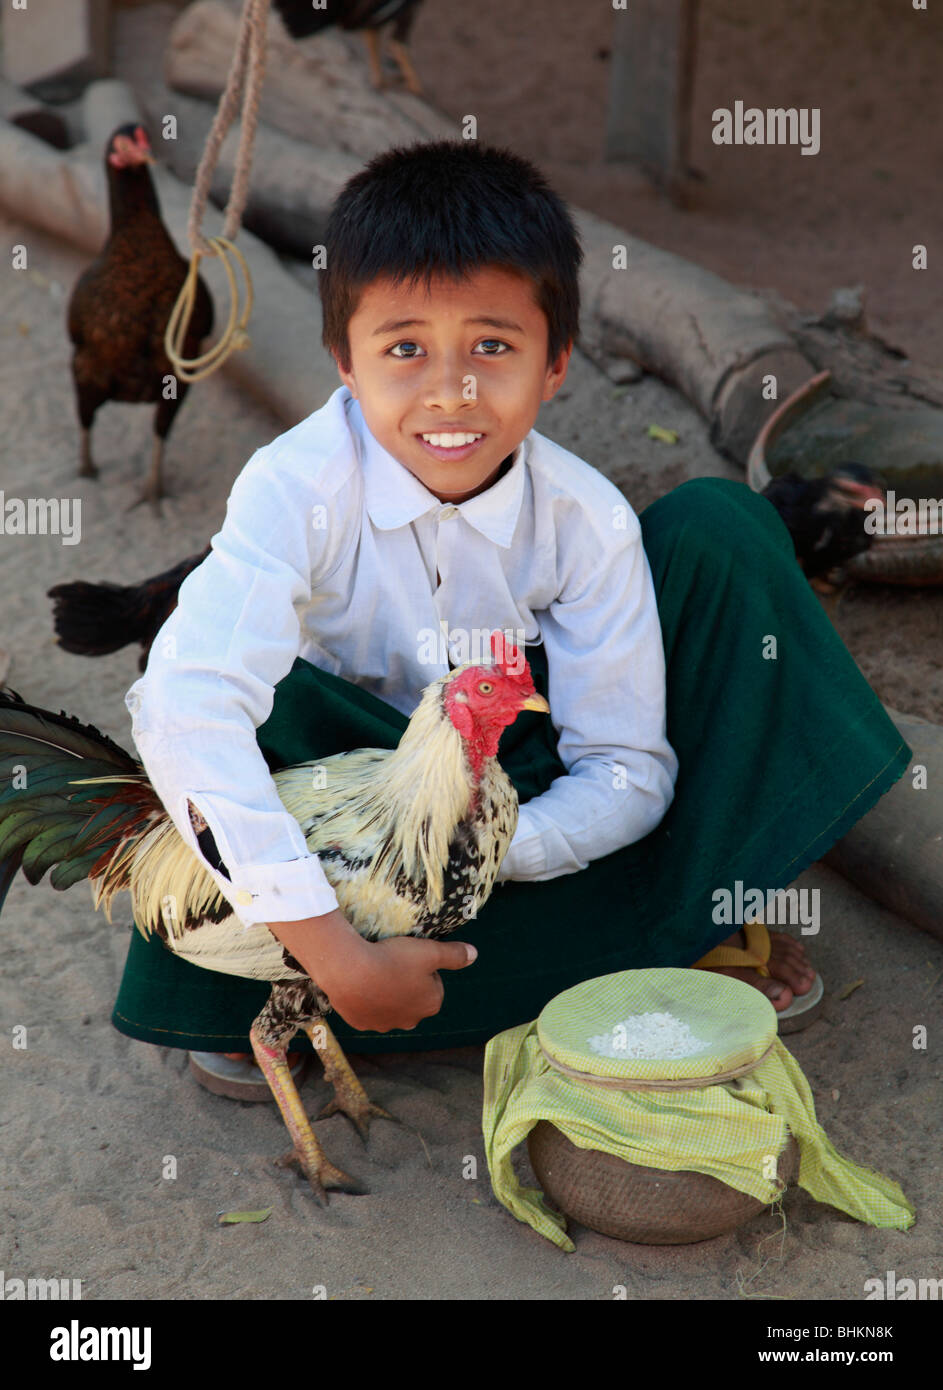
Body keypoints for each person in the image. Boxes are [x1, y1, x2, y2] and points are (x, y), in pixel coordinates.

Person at [113, 140, 908, 1092]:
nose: (451, 390)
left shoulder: (584, 518)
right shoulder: (291, 489)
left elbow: (624, 766)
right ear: (344, 364)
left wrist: (469, 847)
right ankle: (325, 972)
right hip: (335, 805)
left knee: (719, 524)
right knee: (244, 691)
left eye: (493, 346)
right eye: (403, 348)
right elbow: (187, 707)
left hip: (498, 788)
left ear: (554, 362)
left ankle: (660, 917)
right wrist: (335, 943)